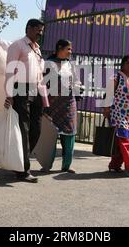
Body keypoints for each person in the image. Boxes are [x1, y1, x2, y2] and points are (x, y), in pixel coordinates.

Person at [4, 18, 45, 183]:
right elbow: (9, 70)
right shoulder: (18, 45)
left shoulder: (37, 49)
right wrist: (9, 94)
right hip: (20, 88)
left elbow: (39, 73)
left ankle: (20, 161)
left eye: (41, 31)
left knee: (37, 128)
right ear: (28, 28)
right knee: (24, 128)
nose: (40, 33)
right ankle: (23, 170)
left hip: (37, 89)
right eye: (37, 30)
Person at [44, 39, 81, 173]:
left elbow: (77, 81)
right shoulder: (48, 63)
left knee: (69, 133)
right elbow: (41, 82)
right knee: (51, 134)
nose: (70, 52)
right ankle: (47, 164)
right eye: (68, 49)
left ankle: (67, 165)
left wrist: (76, 87)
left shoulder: (70, 65)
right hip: (51, 104)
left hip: (68, 104)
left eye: (71, 49)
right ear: (60, 48)